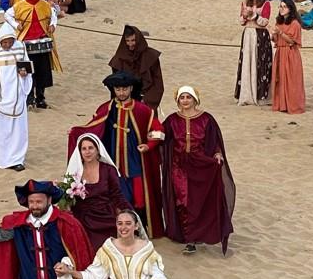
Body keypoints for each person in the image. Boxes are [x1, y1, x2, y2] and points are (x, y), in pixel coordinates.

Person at [68, 71, 165, 238]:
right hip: (112, 160)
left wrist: (149, 145)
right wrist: (76, 132)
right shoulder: (106, 108)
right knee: (115, 195)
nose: (121, 93)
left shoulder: (143, 110)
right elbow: (93, 128)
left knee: (139, 198)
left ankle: (140, 228)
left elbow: (158, 131)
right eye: (118, 89)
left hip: (135, 162)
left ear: (131, 88)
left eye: (124, 89)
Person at [161, 86, 235, 254]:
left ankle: (196, 235)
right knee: (183, 201)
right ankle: (189, 238)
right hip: (178, 166)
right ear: (178, 100)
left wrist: (217, 154)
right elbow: (163, 137)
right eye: (182, 97)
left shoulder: (206, 119)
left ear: (195, 99)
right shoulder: (172, 120)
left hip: (201, 166)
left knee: (198, 202)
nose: (185, 100)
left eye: (188, 97)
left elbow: (213, 140)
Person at [0, 23, 32, 171]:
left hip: (17, 97)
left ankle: (17, 159)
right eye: (5, 42)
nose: (8, 45)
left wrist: (24, 75)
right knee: (0, 131)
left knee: (18, 131)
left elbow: (26, 67)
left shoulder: (20, 48)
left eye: (10, 42)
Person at [65, 133, 132, 251]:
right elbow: (67, 198)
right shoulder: (74, 172)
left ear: (97, 150)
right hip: (82, 218)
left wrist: (129, 213)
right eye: (84, 149)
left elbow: (117, 195)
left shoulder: (108, 170)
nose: (87, 152)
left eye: (91, 148)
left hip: (105, 215)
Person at [4, 0, 59, 109]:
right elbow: (7, 15)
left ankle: (40, 98)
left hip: (41, 41)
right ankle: (29, 98)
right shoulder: (19, 6)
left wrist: (52, 25)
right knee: (28, 71)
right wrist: (16, 25)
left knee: (42, 71)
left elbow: (53, 15)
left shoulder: (45, 5)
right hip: (25, 43)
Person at [109, 25, 164, 111]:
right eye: (127, 41)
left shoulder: (151, 56)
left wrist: (147, 102)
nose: (130, 44)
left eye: (133, 40)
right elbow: (116, 84)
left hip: (145, 101)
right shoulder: (119, 58)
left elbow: (157, 83)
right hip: (125, 101)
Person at [236, 0, 272, 105]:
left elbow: (265, 22)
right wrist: (245, 16)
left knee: (259, 63)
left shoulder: (266, 4)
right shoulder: (245, 2)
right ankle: (246, 93)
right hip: (248, 35)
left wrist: (255, 15)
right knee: (247, 62)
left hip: (260, 35)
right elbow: (241, 21)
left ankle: (260, 95)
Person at [271, 0, 305, 114]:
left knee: (291, 80)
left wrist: (280, 33)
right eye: (280, 6)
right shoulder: (279, 22)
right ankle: (282, 104)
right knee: (280, 79)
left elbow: (292, 41)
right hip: (280, 53)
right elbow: (276, 40)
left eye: (284, 7)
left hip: (290, 54)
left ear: (290, 9)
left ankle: (293, 105)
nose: (281, 9)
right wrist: (273, 34)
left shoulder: (295, 24)